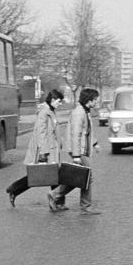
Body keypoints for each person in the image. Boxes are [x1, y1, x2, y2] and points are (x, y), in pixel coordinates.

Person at [6, 87, 66, 210]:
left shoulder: (51, 110)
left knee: (53, 175)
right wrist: (44, 152)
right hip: (46, 149)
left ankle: (57, 202)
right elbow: (41, 133)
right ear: (53, 99)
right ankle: (14, 189)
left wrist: (60, 143)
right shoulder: (44, 112)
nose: (60, 104)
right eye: (59, 101)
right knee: (38, 176)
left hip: (52, 148)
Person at [55, 86, 101, 215]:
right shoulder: (79, 113)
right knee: (87, 176)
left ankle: (55, 195)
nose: (97, 102)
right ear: (89, 100)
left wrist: (95, 143)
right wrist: (76, 155)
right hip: (79, 150)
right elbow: (76, 135)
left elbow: (88, 131)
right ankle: (85, 206)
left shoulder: (84, 111)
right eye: (95, 100)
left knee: (79, 176)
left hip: (82, 149)